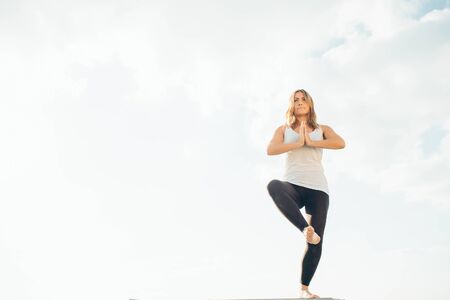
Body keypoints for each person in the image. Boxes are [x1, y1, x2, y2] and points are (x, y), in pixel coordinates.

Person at [266, 89, 345, 299]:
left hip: (318, 189)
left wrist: (311, 142)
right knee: (274, 185)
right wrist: (297, 143)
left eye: (303, 99)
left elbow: (340, 143)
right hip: (293, 185)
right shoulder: (283, 129)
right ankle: (304, 228)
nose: (300, 102)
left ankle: (304, 289)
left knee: (316, 241)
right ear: (291, 105)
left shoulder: (322, 129)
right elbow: (271, 149)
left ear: (310, 104)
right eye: (296, 100)